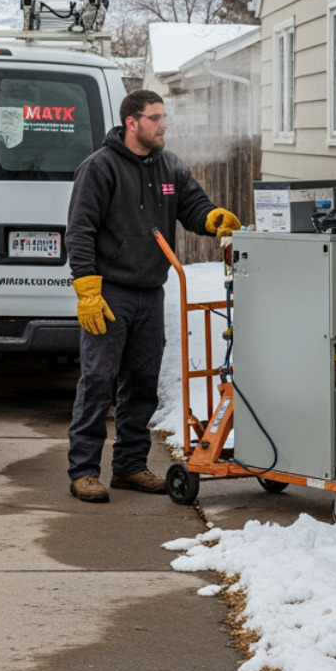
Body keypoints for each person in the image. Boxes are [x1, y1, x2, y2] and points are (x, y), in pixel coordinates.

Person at [64, 89, 240, 503]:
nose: (163, 125)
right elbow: (80, 230)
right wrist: (87, 287)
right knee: (98, 381)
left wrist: (212, 218)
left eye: (164, 117)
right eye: (155, 118)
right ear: (132, 122)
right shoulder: (100, 168)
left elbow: (193, 207)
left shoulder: (170, 166)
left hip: (150, 293)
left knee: (142, 383)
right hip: (109, 293)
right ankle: (84, 471)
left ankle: (129, 466)